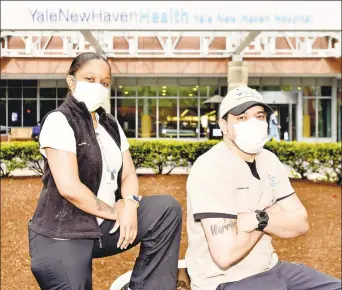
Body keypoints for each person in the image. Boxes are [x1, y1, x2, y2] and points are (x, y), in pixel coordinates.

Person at [28, 52, 182, 290]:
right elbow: (70, 187)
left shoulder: (110, 123)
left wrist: (130, 204)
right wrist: (116, 212)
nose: (98, 87)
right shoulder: (60, 121)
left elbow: (128, 173)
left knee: (166, 210)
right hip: (63, 233)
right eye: (89, 79)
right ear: (71, 81)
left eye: (104, 82)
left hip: (102, 226)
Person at [186, 86, 341, 290]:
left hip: (271, 268)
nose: (253, 123)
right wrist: (271, 214)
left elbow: (301, 222)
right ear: (223, 125)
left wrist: (256, 219)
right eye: (242, 118)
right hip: (225, 281)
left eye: (259, 116)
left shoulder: (269, 160)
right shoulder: (210, 168)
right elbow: (225, 255)